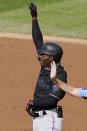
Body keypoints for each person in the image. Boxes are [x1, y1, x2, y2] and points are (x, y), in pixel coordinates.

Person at [26, 3, 67, 131]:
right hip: (40, 119)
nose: (40, 56)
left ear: (51, 58)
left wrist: (33, 103)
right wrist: (34, 18)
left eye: (43, 55)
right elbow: (38, 41)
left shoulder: (60, 75)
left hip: (49, 120)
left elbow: (53, 99)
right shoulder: (45, 65)